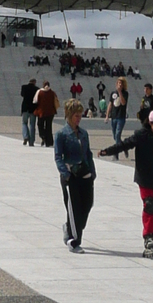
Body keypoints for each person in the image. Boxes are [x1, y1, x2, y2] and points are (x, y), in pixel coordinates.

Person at [100, 108, 153, 258]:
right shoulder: (141, 135)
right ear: (150, 123)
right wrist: (108, 151)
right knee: (149, 205)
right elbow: (125, 144)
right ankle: (149, 236)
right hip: (144, 177)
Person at [54, 100, 96, 251]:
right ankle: (73, 240)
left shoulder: (84, 134)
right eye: (76, 116)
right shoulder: (61, 134)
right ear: (69, 115)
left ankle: (72, 227)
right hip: (70, 176)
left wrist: (92, 172)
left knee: (88, 204)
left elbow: (88, 154)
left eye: (80, 116)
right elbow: (58, 156)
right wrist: (65, 174)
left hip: (85, 175)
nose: (79, 119)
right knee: (74, 208)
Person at [34, 80, 59, 147]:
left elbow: (35, 101)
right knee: (49, 126)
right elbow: (56, 100)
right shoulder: (52, 93)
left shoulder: (39, 92)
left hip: (41, 112)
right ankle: (49, 142)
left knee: (40, 125)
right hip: (51, 112)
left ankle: (43, 136)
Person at [109, 77, 129, 145]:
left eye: (121, 83)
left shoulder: (125, 93)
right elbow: (110, 104)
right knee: (115, 136)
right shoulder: (113, 93)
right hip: (113, 116)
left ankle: (116, 154)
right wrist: (107, 115)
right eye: (119, 83)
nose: (120, 85)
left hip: (121, 117)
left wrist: (120, 92)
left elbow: (123, 103)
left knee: (118, 134)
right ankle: (124, 146)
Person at [20, 76, 39, 146]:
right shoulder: (37, 89)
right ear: (34, 82)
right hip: (33, 109)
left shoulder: (24, 87)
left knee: (24, 123)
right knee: (32, 125)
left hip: (25, 108)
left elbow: (22, 94)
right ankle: (31, 142)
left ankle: (25, 136)